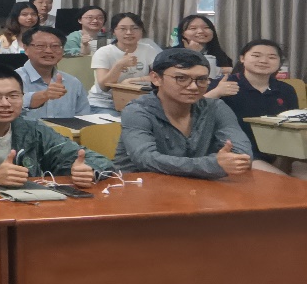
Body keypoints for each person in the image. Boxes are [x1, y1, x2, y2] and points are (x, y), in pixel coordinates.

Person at [113, 49, 253, 179]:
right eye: (181, 78)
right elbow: (146, 159)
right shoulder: (137, 111)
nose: (193, 87)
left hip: (195, 187)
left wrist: (227, 162)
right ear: (156, 78)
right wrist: (212, 165)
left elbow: (243, 155)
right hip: (138, 186)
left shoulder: (216, 107)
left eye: (201, 80)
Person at [218, 39, 298, 169]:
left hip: (280, 153)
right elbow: (197, 109)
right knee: (281, 179)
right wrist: (216, 93)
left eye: (272, 57)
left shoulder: (286, 90)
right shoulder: (224, 84)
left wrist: (284, 159)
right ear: (242, 58)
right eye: (256, 56)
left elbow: (294, 125)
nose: (264, 61)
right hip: (239, 152)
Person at [88, 12, 161, 115]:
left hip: (137, 102)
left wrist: (132, 80)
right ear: (114, 32)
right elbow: (104, 87)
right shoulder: (104, 52)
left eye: (134, 28)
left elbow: (161, 77)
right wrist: (119, 65)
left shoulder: (148, 49)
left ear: (141, 31)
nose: (129, 32)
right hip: (105, 103)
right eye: (123, 29)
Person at [17, 27, 91, 119]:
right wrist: (44, 96)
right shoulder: (13, 80)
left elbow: (84, 117)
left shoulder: (72, 83)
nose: (49, 51)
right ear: (26, 49)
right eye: (40, 46)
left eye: (55, 46)